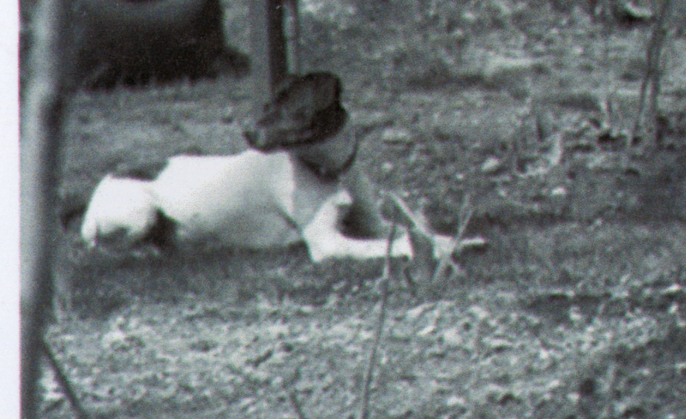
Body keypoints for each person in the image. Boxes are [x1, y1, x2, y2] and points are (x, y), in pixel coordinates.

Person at [79, 71, 466, 264]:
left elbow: (374, 227)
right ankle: (126, 248)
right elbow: (327, 250)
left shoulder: (341, 165)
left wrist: (426, 240)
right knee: (137, 217)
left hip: (181, 185)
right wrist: (406, 248)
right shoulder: (285, 169)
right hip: (139, 194)